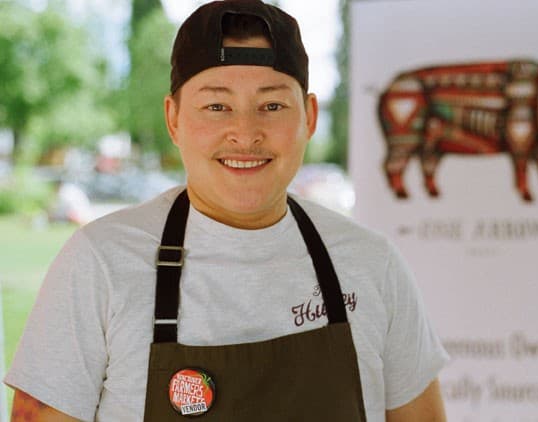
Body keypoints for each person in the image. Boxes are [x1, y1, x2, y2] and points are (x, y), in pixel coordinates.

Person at [4, 1, 449, 421]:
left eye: (272, 105)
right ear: (173, 118)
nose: (245, 132)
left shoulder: (372, 265)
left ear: (309, 118)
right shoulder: (99, 263)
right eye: (216, 106)